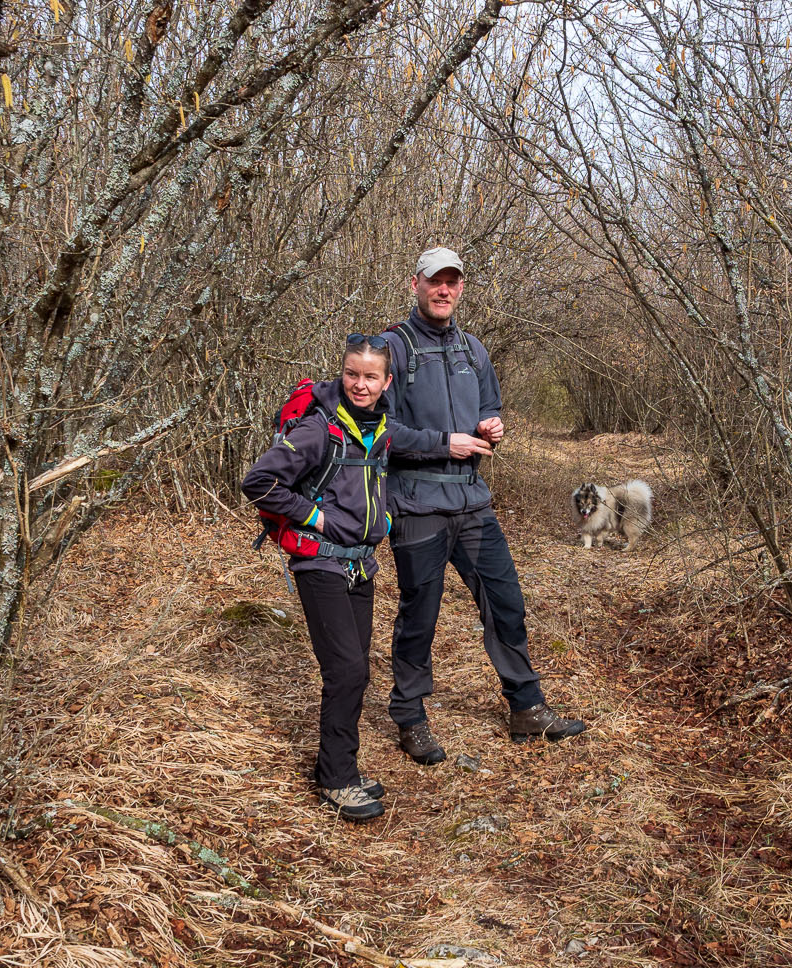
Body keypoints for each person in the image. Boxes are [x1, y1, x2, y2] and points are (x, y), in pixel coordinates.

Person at [381, 246, 585, 764]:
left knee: (506, 604)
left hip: (472, 501)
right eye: (434, 281)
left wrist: (492, 425)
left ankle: (527, 708)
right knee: (419, 616)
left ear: (461, 288)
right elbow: (378, 428)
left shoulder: (473, 349)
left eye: (452, 281)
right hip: (417, 503)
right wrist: (442, 443)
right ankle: (410, 717)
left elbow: (489, 405)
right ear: (416, 285)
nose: (443, 289)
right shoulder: (392, 348)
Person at [240, 336, 399, 821]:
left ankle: (340, 766)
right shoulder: (318, 430)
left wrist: (384, 522)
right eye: (353, 374)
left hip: (360, 563)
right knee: (346, 670)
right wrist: (316, 517)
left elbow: (376, 486)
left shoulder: (382, 430)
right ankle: (335, 780)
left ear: (386, 381)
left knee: (357, 670)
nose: (361, 384)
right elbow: (258, 482)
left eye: (371, 376)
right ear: (342, 373)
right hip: (320, 562)